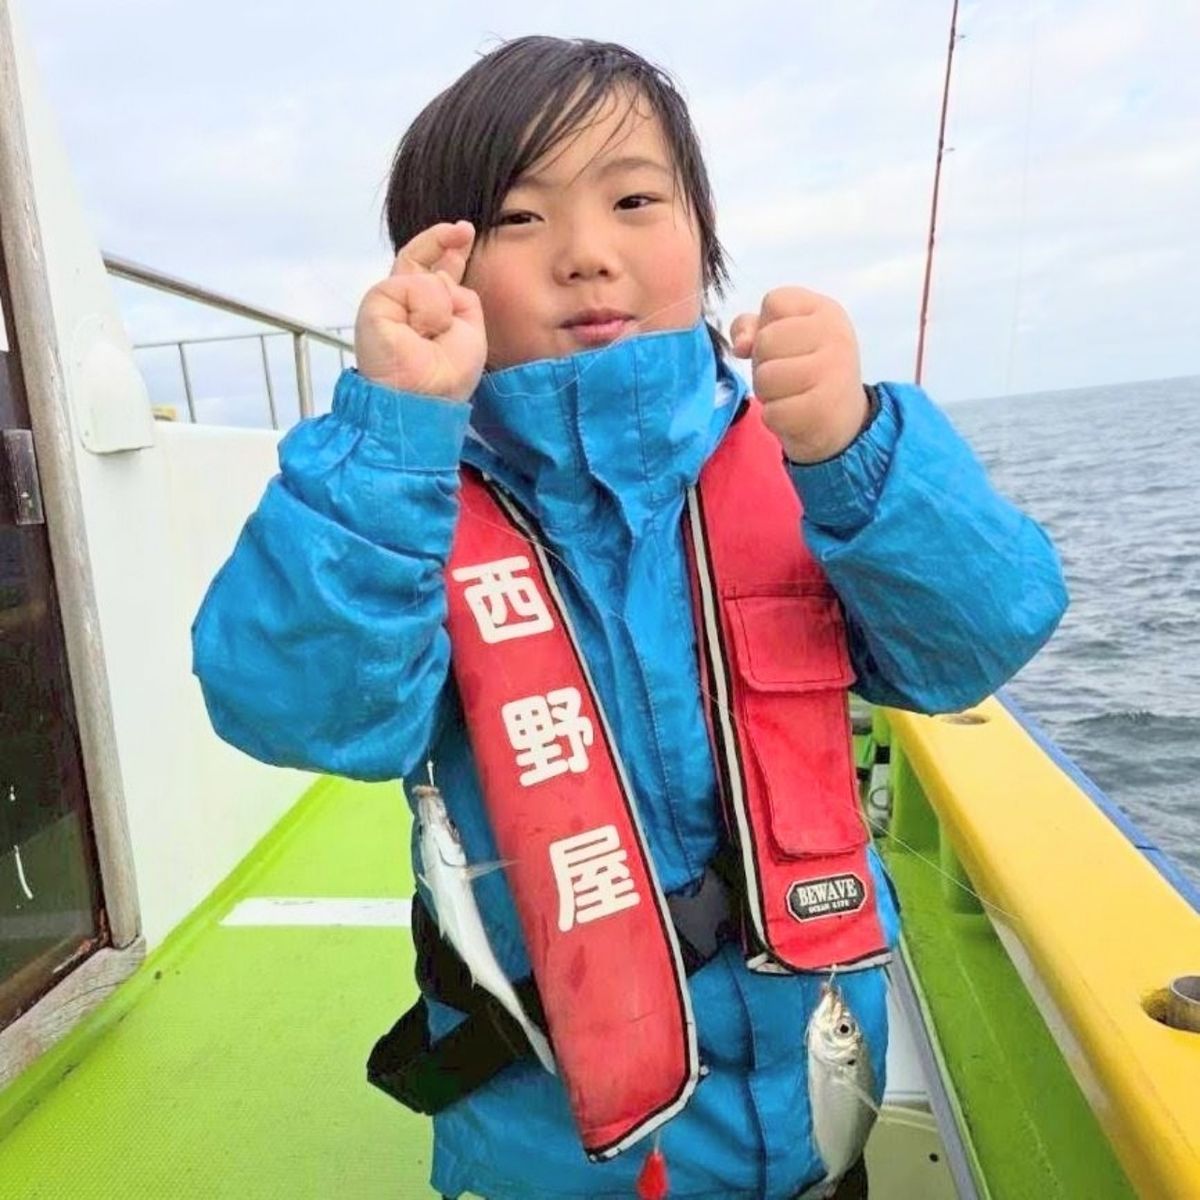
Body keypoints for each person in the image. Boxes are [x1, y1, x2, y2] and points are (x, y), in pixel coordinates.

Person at [191, 36, 1067, 1200]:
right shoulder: (405, 503)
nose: (588, 255)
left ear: (702, 237)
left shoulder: (806, 462)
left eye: (636, 199)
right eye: (516, 220)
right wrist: (389, 431)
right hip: (553, 1154)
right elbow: (297, 711)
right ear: (438, 272)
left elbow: (981, 638)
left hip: (818, 1113)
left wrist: (859, 448)